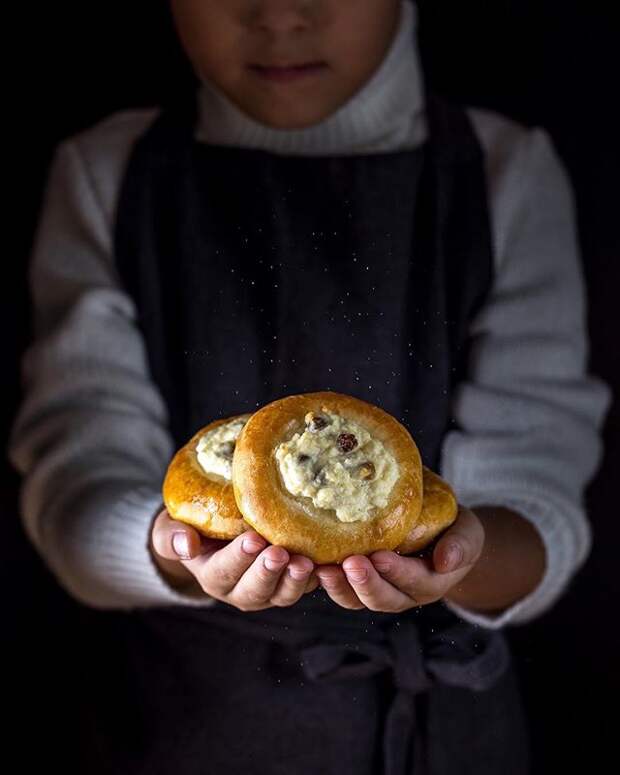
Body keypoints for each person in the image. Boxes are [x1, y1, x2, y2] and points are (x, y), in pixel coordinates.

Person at [7, 1, 612, 773]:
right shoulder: (106, 177)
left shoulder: (504, 176)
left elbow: (540, 487)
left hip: (440, 735)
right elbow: (74, 479)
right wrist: (172, 546)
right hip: (183, 724)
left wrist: (457, 556)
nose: (282, 16)